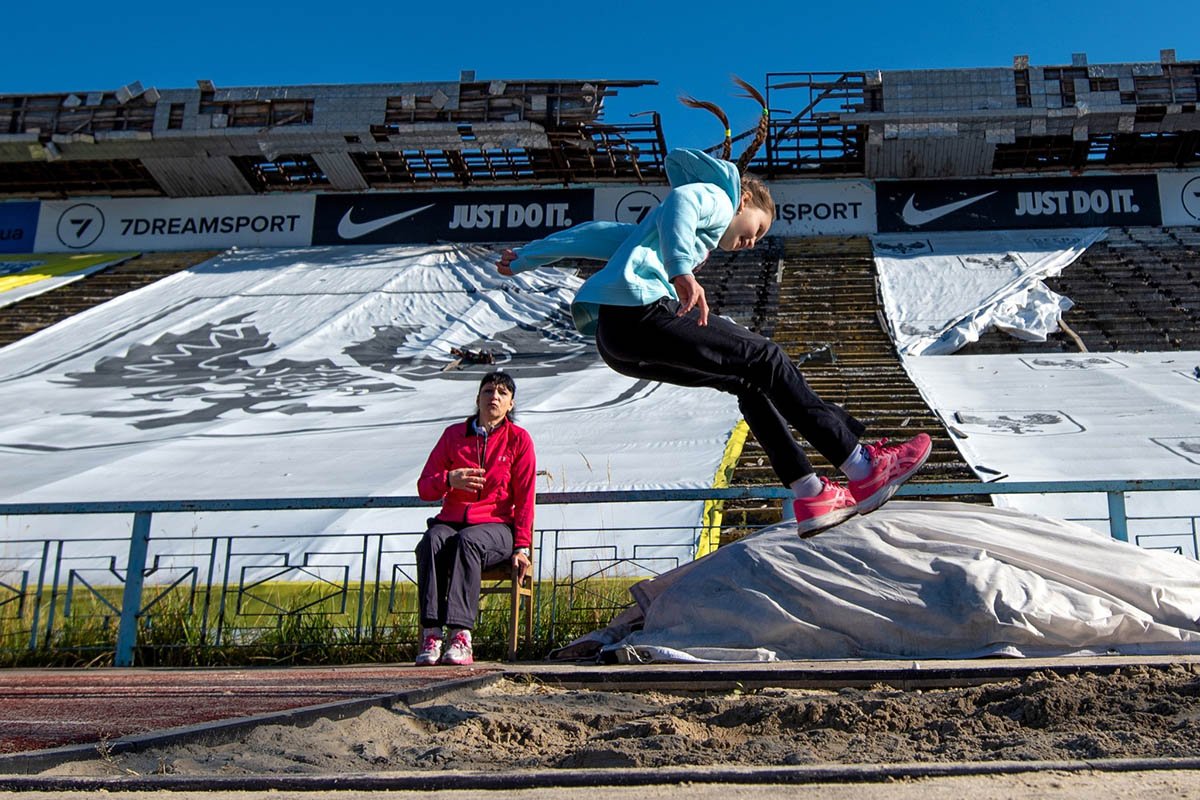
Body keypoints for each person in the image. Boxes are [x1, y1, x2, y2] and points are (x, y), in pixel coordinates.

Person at [495, 84, 930, 537]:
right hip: (642, 314)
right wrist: (681, 271)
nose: (752, 243)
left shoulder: (657, 232)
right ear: (746, 202)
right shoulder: (718, 197)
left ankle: (810, 491)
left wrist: (527, 256)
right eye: (757, 229)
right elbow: (681, 202)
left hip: (617, 339)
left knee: (749, 382)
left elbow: (596, 233)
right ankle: (862, 467)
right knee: (767, 356)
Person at [414, 371, 535, 666]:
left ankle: (461, 635)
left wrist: (522, 547)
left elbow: (525, 497)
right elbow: (424, 488)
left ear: (511, 404)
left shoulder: (518, 440)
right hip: (452, 520)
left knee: (467, 541)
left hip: (496, 526)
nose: (494, 397)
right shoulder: (453, 436)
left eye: (503, 393)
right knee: (431, 541)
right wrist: (449, 479)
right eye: (488, 391)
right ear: (477, 398)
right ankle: (432, 634)